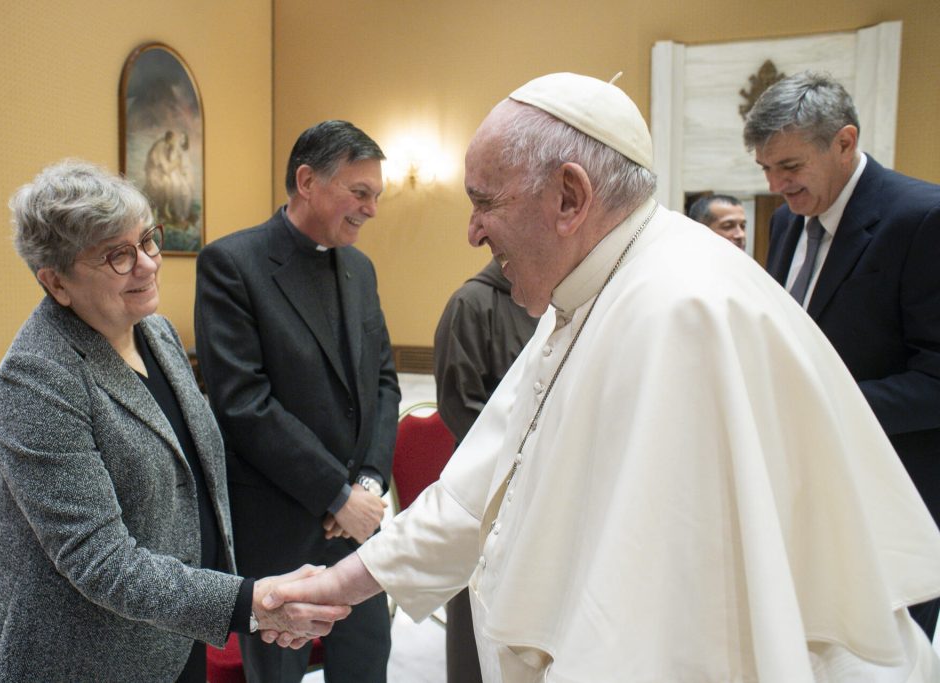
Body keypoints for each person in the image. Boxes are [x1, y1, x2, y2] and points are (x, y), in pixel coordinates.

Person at [262, 73, 940, 682]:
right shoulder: (598, 281)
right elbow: (483, 480)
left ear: (569, 196)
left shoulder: (676, 310)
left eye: (484, 202)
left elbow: (647, 623)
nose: (472, 232)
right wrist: (343, 582)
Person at [0, 161, 348, 682]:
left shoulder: (156, 332)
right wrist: (250, 604)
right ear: (56, 281)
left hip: (169, 633)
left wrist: (252, 592)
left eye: (147, 240)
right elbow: (100, 560)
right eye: (116, 256)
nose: (147, 264)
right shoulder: (37, 380)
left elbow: (194, 482)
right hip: (80, 659)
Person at [195, 120, 399, 683]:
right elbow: (243, 404)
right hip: (281, 529)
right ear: (307, 181)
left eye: (375, 196)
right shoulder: (232, 264)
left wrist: (368, 486)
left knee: (366, 667)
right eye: (359, 193)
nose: (371, 210)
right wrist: (333, 494)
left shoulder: (360, 268)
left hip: (358, 528)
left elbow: (384, 380)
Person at [745, 71, 940, 639]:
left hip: (894, 494)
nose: (777, 184)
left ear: (845, 142)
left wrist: (819, 402)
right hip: (809, 494)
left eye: (791, 167)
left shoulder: (923, 219)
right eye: (766, 168)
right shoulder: (786, 221)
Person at [433, 257, 538, 683]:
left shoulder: (554, 305)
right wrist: (528, 455)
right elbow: (460, 406)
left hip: (544, 492)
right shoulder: (472, 304)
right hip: (491, 489)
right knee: (477, 635)